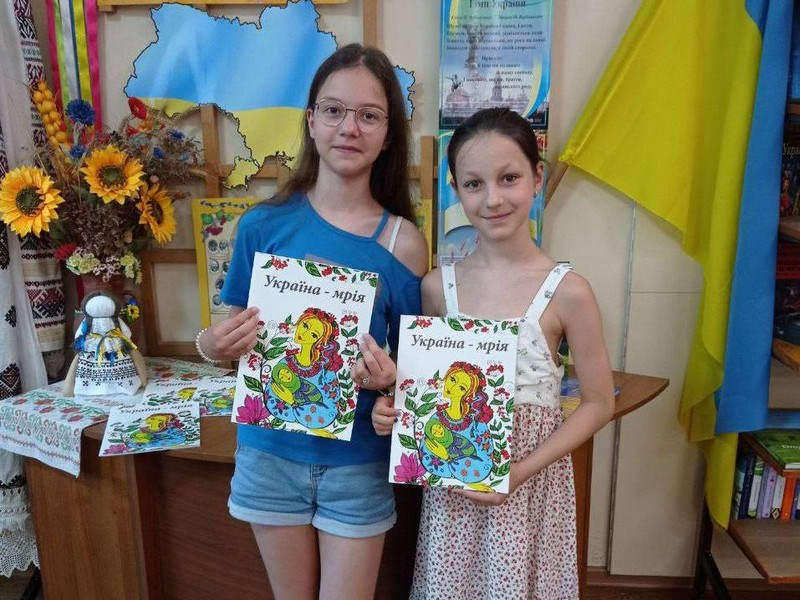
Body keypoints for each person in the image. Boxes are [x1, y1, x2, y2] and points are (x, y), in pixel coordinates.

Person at [196, 43, 428, 600]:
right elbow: (231, 338)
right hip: (269, 454)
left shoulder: (405, 243)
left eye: (369, 115)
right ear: (311, 120)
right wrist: (212, 345)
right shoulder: (262, 225)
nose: (349, 127)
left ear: (388, 135)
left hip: (357, 462)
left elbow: (413, 371)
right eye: (333, 110)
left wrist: (389, 380)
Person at [372, 107, 615, 599]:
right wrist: (392, 411)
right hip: (454, 493)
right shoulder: (437, 288)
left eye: (509, 178)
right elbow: (422, 392)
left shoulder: (569, 291)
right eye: (474, 184)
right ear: (456, 190)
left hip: (530, 487)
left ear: (537, 177)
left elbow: (599, 402)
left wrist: (517, 473)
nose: (493, 199)